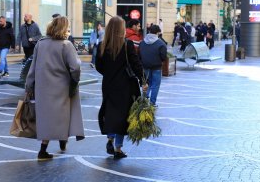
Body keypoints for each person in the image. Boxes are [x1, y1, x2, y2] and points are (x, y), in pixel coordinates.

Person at [25, 16, 85, 160]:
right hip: (62, 87)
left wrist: (29, 85)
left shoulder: (41, 43)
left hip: (43, 88)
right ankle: (63, 140)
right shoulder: (66, 45)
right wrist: (75, 80)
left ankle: (43, 149)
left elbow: (32, 67)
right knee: (63, 116)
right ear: (64, 28)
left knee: (47, 118)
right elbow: (75, 67)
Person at [96, 16, 146, 159]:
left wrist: (109, 74)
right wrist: (143, 80)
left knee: (110, 112)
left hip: (108, 84)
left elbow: (99, 66)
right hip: (125, 85)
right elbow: (136, 64)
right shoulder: (127, 44)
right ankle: (118, 149)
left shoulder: (101, 45)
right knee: (123, 117)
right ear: (121, 29)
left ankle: (110, 139)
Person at [139, 25, 167, 106]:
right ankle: (152, 102)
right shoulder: (161, 43)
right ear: (158, 32)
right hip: (157, 67)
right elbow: (163, 57)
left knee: (146, 83)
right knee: (155, 85)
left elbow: (139, 55)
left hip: (145, 66)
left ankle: (144, 100)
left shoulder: (142, 42)